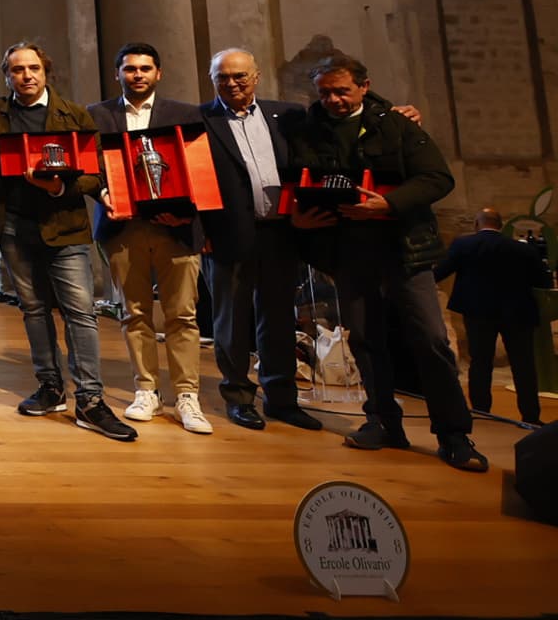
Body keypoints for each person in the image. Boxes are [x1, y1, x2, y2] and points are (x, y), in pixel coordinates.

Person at [285, 53, 486, 471]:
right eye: (325, 93)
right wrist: (301, 215)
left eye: (342, 91)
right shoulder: (309, 130)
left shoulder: (396, 124)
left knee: (431, 339)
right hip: (349, 255)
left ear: (363, 85)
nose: (334, 100)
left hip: (404, 250)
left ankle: (454, 434)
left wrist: (388, 204)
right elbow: (301, 179)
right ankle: (381, 421)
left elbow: (436, 177)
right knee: (365, 340)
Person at [0, 41, 136, 441]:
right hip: (15, 227)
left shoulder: (75, 114)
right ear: (6, 75)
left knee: (79, 313)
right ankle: (50, 387)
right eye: (17, 70)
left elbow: (95, 173)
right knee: (33, 310)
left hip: (64, 225)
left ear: (46, 72)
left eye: (33, 68)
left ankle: (90, 400)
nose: (26, 75)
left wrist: (56, 188)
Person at [87, 42, 212, 434]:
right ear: (117, 75)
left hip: (175, 227)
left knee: (182, 314)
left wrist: (188, 211)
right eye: (129, 69)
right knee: (134, 313)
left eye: (144, 69)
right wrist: (101, 192)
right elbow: (89, 169)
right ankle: (147, 389)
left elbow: (202, 169)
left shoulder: (187, 114)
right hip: (124, 228)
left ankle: (187, 394)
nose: (137, 75)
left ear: (158, 73)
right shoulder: (97, 116)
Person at [197, 48, 324, 432]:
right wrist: (200, 231)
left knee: (278, 317)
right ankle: (238, 397)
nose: (232, 83)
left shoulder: (288, 115)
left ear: (256, 77)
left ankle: (282, 398)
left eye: (240, 76)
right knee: (231, 322)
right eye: (223, 77)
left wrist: (398, 111)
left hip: (280, 231)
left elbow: (334, 119)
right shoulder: (199, 120)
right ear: (212, 78)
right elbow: (193, 179)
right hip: (225, 235)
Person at [437, 207, 552, 424]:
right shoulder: (523, 250)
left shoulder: (464, 245)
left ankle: (481, 412)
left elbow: (442, 271)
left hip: (478, 312)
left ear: (476, 224)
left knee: (480, 362)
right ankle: (530, 416)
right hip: (518, 312)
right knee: (524, 365)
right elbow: (543, 282)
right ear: (501, 225)